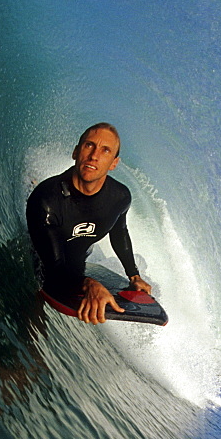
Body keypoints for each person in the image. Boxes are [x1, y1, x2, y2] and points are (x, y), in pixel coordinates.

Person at [26, 122, 152, 324]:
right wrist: (89, 284)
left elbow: (119, 231)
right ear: (76, 152)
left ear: (114, 163)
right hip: (42, 260)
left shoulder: (119, 197)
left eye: (105, 150)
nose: (94, 155)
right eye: (89, 145)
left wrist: (133, 275)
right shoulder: (46, 201)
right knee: (33, 313)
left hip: (78, 262)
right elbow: (54, 270)